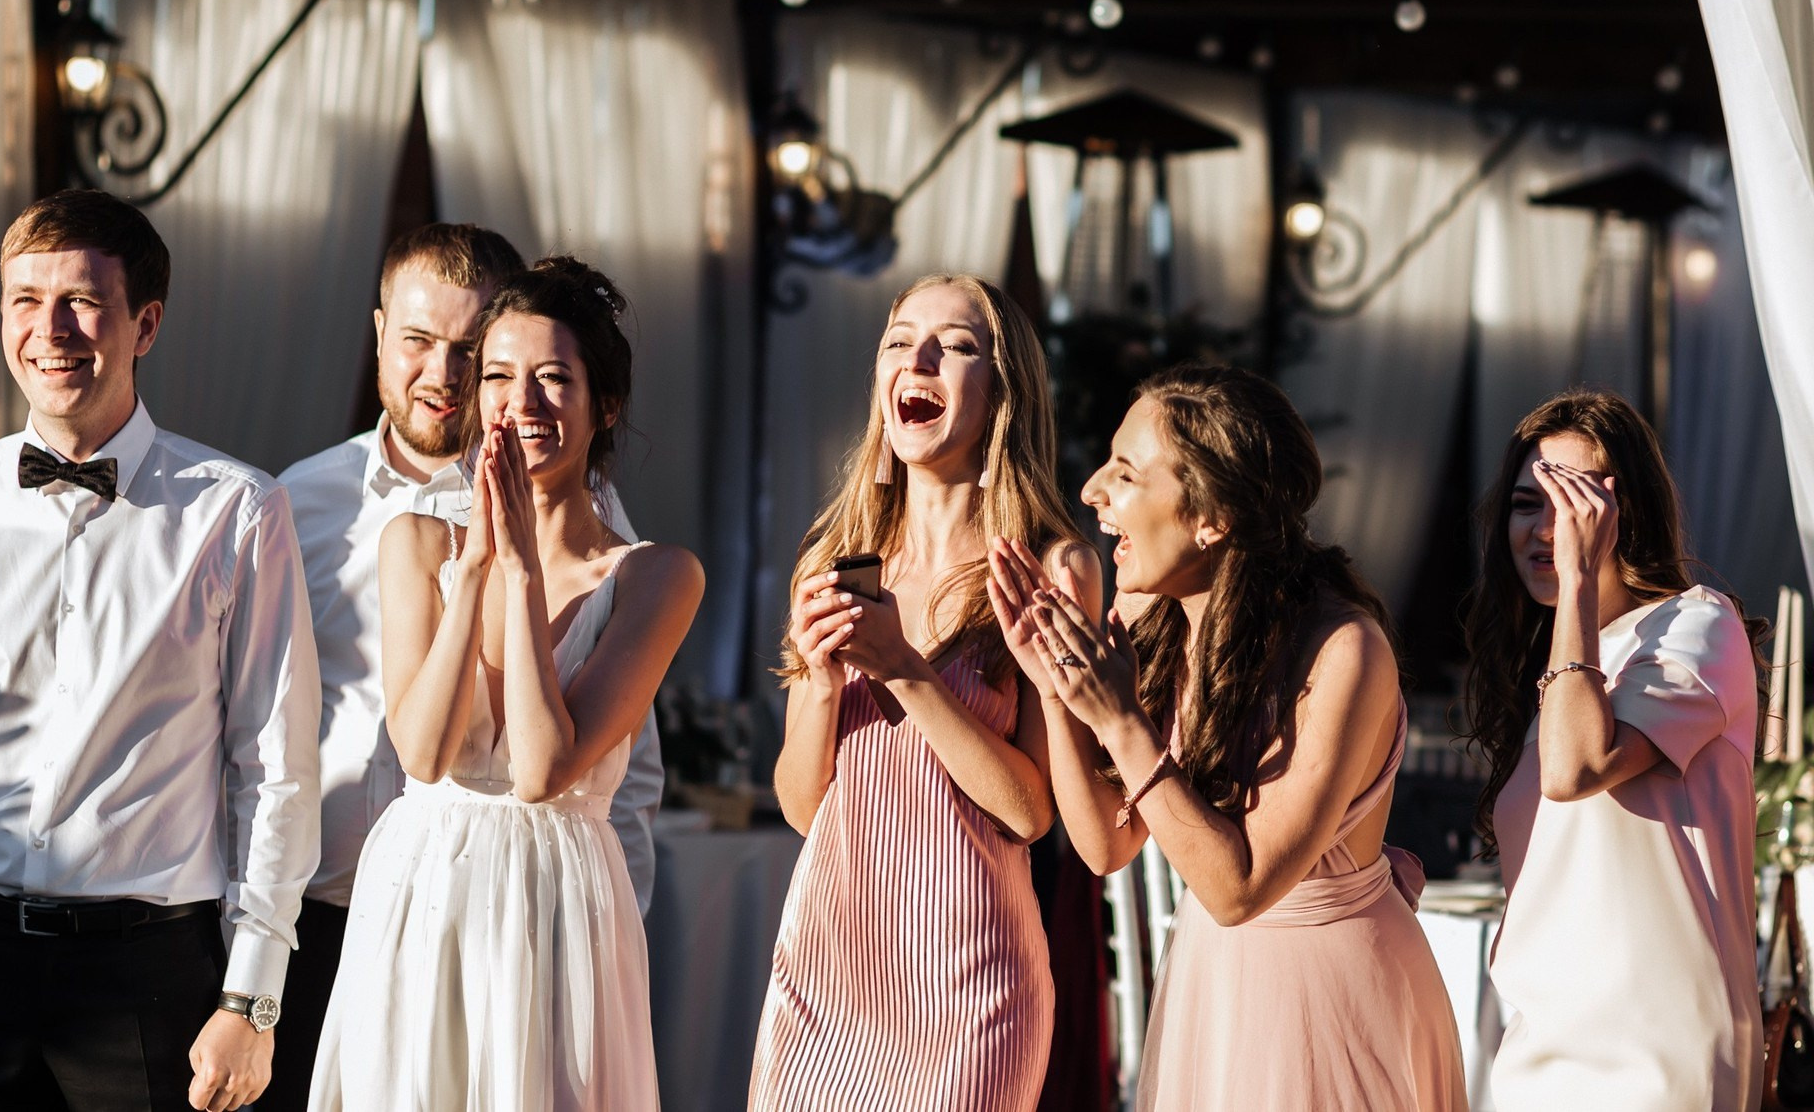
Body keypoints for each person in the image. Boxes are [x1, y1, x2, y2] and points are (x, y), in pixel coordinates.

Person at [0, 190, 320, 1112]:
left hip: (148, 977)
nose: (50, 329)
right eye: (25, 300)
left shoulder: (237, 510)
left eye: (82, 301)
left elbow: (273, 770)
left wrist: (252, 998)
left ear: (146, 323)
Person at [268, 225, 667, 1110]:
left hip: (552, 907)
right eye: (496, 375)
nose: (510, 399)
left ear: (602, 402)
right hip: (378, 902)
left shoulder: (637, 558)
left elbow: (587, 769)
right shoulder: (348, 519)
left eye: (550, 376)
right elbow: (375, 746)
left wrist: (608, 931)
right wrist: (480, 563)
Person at [992, 363, 1465, 1110]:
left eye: (1125, 472)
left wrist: (1119, 721)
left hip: (1334, 998)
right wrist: (1055, 689)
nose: (1091, 491)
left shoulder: (1344, 651)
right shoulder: (1154, 621)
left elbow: (1239, 889)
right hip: (1216, 987)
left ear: (1211, 517)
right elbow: (1106, 844)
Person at [749, 274, 1089, 1112]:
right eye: (899, 341)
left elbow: (1030, 812)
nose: (919, 359)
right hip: (826, 979)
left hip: (968, 989)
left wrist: (905, 669)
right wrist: (821, 683)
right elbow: (803, 807)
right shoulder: (835, 558)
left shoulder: (1050, 566)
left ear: (1003, 390)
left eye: (956, 345)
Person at [1463, 390, 1762, 1111]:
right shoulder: (1560, 670)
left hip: (1655, 1058)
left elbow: (1577, 769)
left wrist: (1577, 580)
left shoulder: (1696, 626)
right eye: (1527, 504)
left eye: (1571, 503)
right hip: (1542, 1049)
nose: (1546, 528)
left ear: (1624, 511)